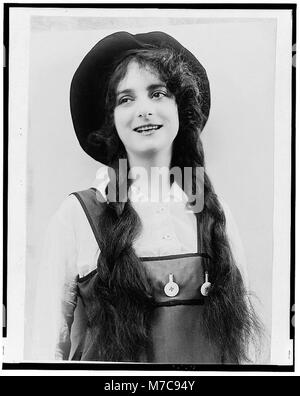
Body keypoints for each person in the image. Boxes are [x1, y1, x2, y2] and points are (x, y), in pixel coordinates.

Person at [33, 31, 262, 363]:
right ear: (111, 120)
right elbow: (43, 348)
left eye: (157, 93)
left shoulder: (214, 212)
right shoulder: (77, 215)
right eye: (126, 99)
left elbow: (243, 352)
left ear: (180, 108)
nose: (144, 110)